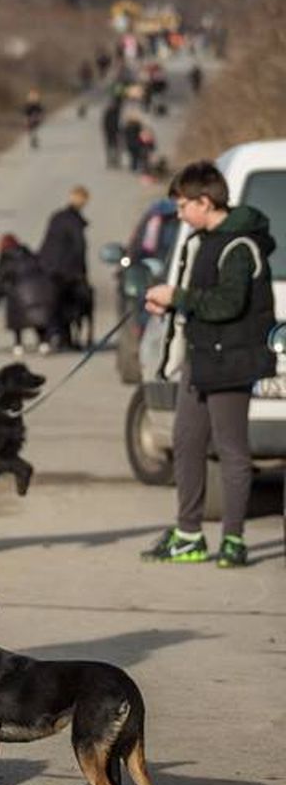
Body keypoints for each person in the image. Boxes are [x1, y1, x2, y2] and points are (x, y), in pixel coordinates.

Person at [140, 162, 275, 569]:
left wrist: (178, 296)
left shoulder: (241, 246)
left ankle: (233, 540)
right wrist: (166, 301)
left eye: (182, 206)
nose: (179, 214)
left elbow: (226, 304)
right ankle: (188, 535)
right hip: (200, 361)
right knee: (186, 442)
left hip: (233, 362)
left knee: (232, 450)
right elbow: (198, 296)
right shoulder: (202, 240)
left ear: (204, 201)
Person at [0, 234, 54, 356]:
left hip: (19, 301)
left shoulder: (5, 260)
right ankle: (44, 343)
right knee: (37, 317)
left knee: (14, 302)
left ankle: (18, 344)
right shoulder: (30, 255)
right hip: (40, 295)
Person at [37, 185, 90, 351]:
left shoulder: (57, 217)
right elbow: (79, 247)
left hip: (49, 266)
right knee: (69, 306)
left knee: (54, 305)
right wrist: (82, 272)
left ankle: (54, 337)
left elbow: (47, 242)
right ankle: (63, 339)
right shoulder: (75, 221)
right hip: (67, 271)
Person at [101, 98, 123, 169]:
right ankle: (109, 161)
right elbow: (104, 123)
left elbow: (120, 122)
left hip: (117, 132)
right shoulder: (107, 113)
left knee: (117, 147)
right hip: (109, 133)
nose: (112, 106)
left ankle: (116, 162)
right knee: (109, 147)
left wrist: (120, 131)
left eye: (113, 105)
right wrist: (105, 131)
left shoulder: (118, 112)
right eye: (111, 105)